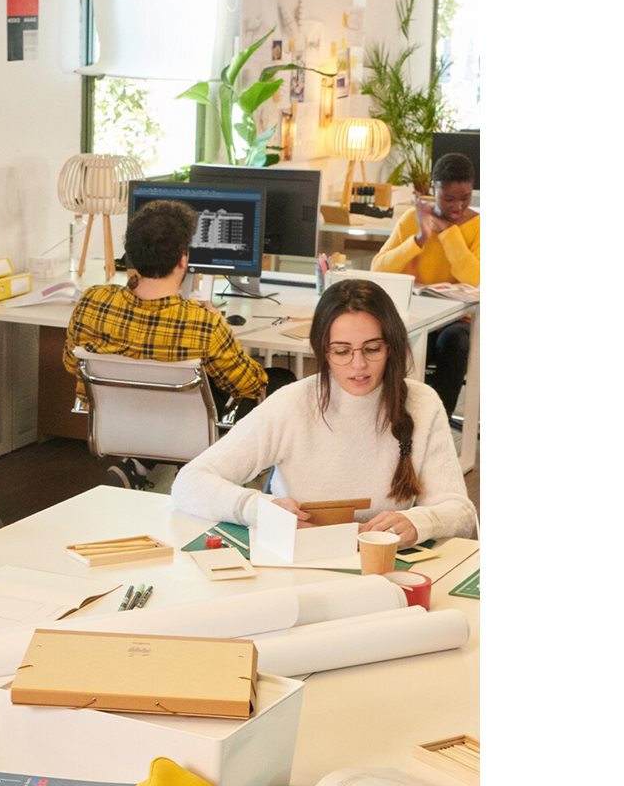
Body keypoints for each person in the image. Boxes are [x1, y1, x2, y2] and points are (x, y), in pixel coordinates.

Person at [169, 278, 478, 545]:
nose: (358, 365)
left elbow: (462, 514)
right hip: (300, 561)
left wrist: (420, 523)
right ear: (324, 352)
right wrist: (257, 508)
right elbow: (189, 482)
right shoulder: (293, 403)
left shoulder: (422, 403)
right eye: (342, 351)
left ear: (391, 347)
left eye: (372, 349)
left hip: (384, 564)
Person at [66, 197, 270, 418]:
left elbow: (71, 363)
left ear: (131, 254)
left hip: (110, 425)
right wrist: (222, 327)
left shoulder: (91, 302)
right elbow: (252, 386)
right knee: (279, 379)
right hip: (184, 431)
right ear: (183, 259)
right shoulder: (205, 325)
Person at [373, 153, 480, 417]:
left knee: (455, 342)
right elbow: (378, 268)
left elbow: (475, 277)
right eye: (449, 198)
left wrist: (448, 232)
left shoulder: (479, 226)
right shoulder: (413, 218)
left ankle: (437, 422)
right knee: (389, 341)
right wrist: (419, 239)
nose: (457, 206)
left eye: (465, 198)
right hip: (413, 315)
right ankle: (394, 418)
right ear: (434, 189)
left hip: (457, 321)